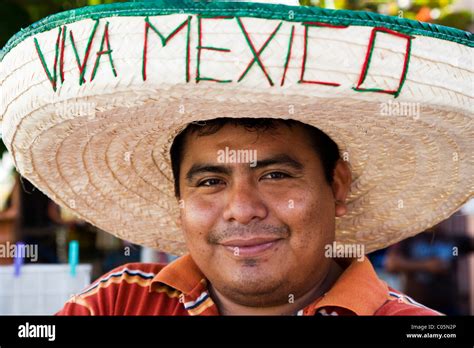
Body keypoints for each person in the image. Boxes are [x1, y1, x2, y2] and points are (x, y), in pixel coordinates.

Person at [1, 1, 471, 315]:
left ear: (338, 185)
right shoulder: (118, 302)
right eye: (209, 182)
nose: (242, 208)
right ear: (178, 197)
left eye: (275, 174)